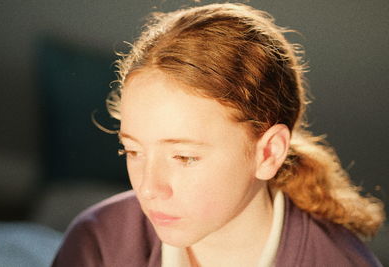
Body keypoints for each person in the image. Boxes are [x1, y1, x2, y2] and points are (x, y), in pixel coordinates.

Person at [52, 3, 385, 266]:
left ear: (268, 153)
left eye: (184, 157)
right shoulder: (96, 244)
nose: (148, 189)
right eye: (133, 152)